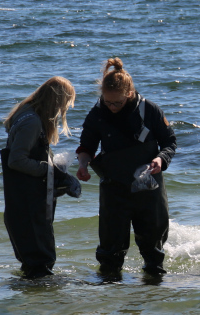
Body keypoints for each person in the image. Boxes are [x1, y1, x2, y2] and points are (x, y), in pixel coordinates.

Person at [75, 58, 177, 276]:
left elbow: (169, 142)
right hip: (114, 189)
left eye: (117, 103)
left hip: (148, 188)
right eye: (108, 102)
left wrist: (161, 159)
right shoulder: (97, 113)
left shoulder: (149, 110)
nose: (112, 108)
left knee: (153, 252)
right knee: (110, 254)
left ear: (129, 94)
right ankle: (111, 296)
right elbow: (86, 146)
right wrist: (83, 164)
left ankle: (153, 295)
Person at [1, 76, 79, 278]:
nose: (64, 110)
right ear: (56, 102)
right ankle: (43, 304)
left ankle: (33, 303)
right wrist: (49, 170)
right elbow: (16, 160)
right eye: (65, 105)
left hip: (21, 199)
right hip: (28, 201)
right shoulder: (32, 122)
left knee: (33, 261)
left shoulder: (24, 113)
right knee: (41, 261)